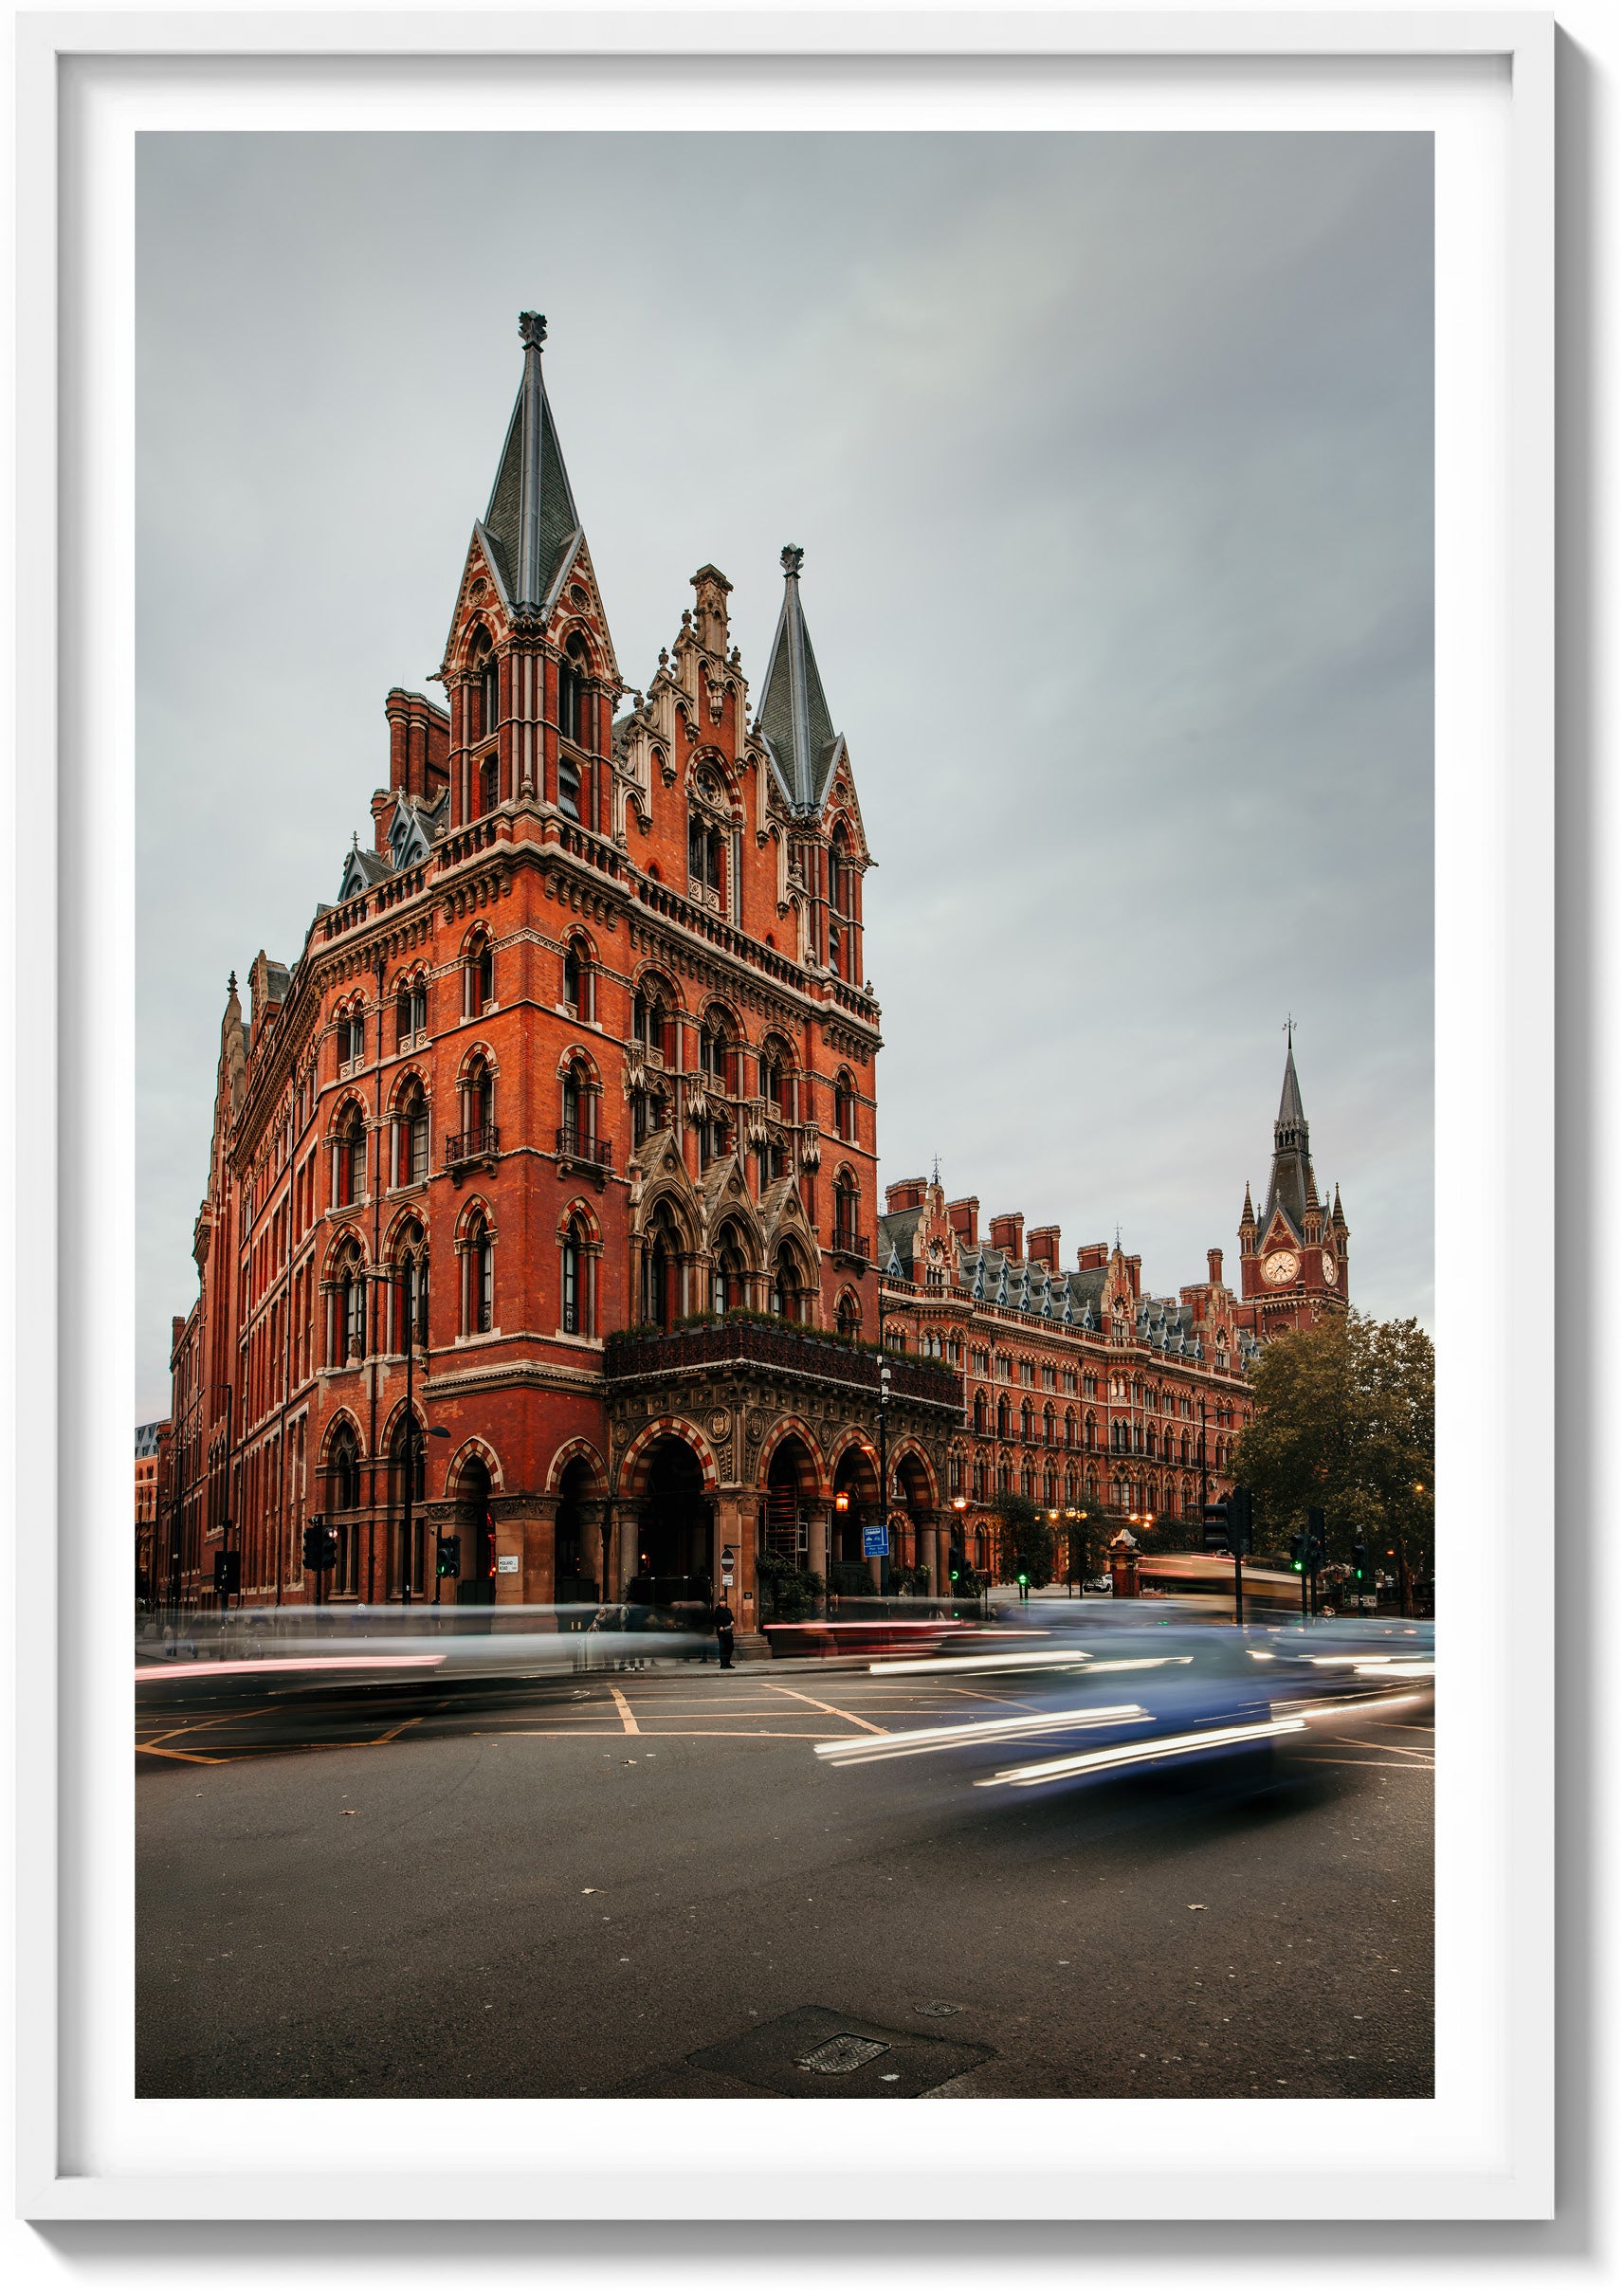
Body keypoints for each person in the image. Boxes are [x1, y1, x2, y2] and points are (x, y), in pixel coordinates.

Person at [712, 1595, 736, 1671]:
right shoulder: (717, 1611)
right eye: (721, 1601)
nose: (722, 1603)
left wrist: (732, 1621)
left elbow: (732, 1618)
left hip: (728, 1631)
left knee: (730, 1647)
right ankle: (723, 1663)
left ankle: (728, 1662)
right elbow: (714, 1621)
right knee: (722, 1647)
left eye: (723, 1601)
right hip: (721, 1632)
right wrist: (719, 1626)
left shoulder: (728, 1610)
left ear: (726, 1602)